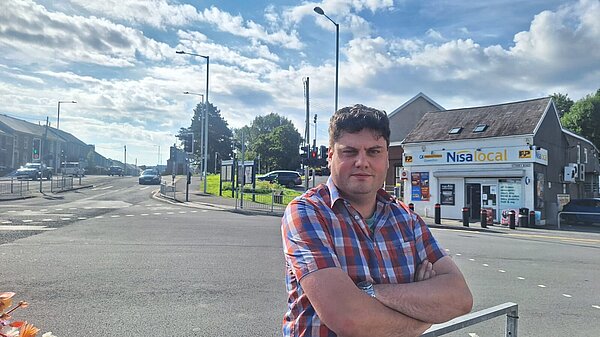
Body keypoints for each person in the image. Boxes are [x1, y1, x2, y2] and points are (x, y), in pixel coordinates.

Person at [281, 104, 473, 337]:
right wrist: (422, 317)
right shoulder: (308, 213)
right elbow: (349, 318)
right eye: (349, 152)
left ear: (386, 158)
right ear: (330, 156)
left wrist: (369, 292)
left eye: (374, 151)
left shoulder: (407, 220)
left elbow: (459, 297)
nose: (362, 162)